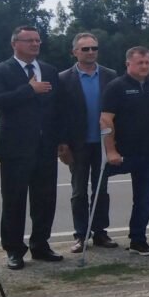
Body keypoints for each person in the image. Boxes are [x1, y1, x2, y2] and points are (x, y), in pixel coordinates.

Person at [0, 26, 63, 270]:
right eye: (29, 40)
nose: (35, 44)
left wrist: (61, 140)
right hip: (15, 148)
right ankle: (14, 250)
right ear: (15, 43)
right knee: (14, 200)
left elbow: (57, 107)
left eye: (37, 40)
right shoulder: (1, 70)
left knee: (45, 199)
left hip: (45, 147)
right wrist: (29, 90)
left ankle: (40, 245)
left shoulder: (49, 70)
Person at [101, 46, 149, 256]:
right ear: (128, 63)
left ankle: (138, 240)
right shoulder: (116, 87)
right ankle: (94, 232)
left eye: (147, 62)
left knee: (143, 200)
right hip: (121, 152)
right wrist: (111, 150)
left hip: (147, 151)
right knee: (97, 188)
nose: (144, 66)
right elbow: (106, 119)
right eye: (140, 62)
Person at [58, 32, 119, 253]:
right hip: (78, 144)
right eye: (85, 49)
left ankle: (100, 232)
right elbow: (59, 114)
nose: (91, 52)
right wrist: (62, 144)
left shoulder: (110, 75)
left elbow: (118, 111)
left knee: (101, 190)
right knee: (79, 192)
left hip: (103, 143)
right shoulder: (63, 78)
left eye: (94, 48)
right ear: (74, 52)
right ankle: (81, 235)